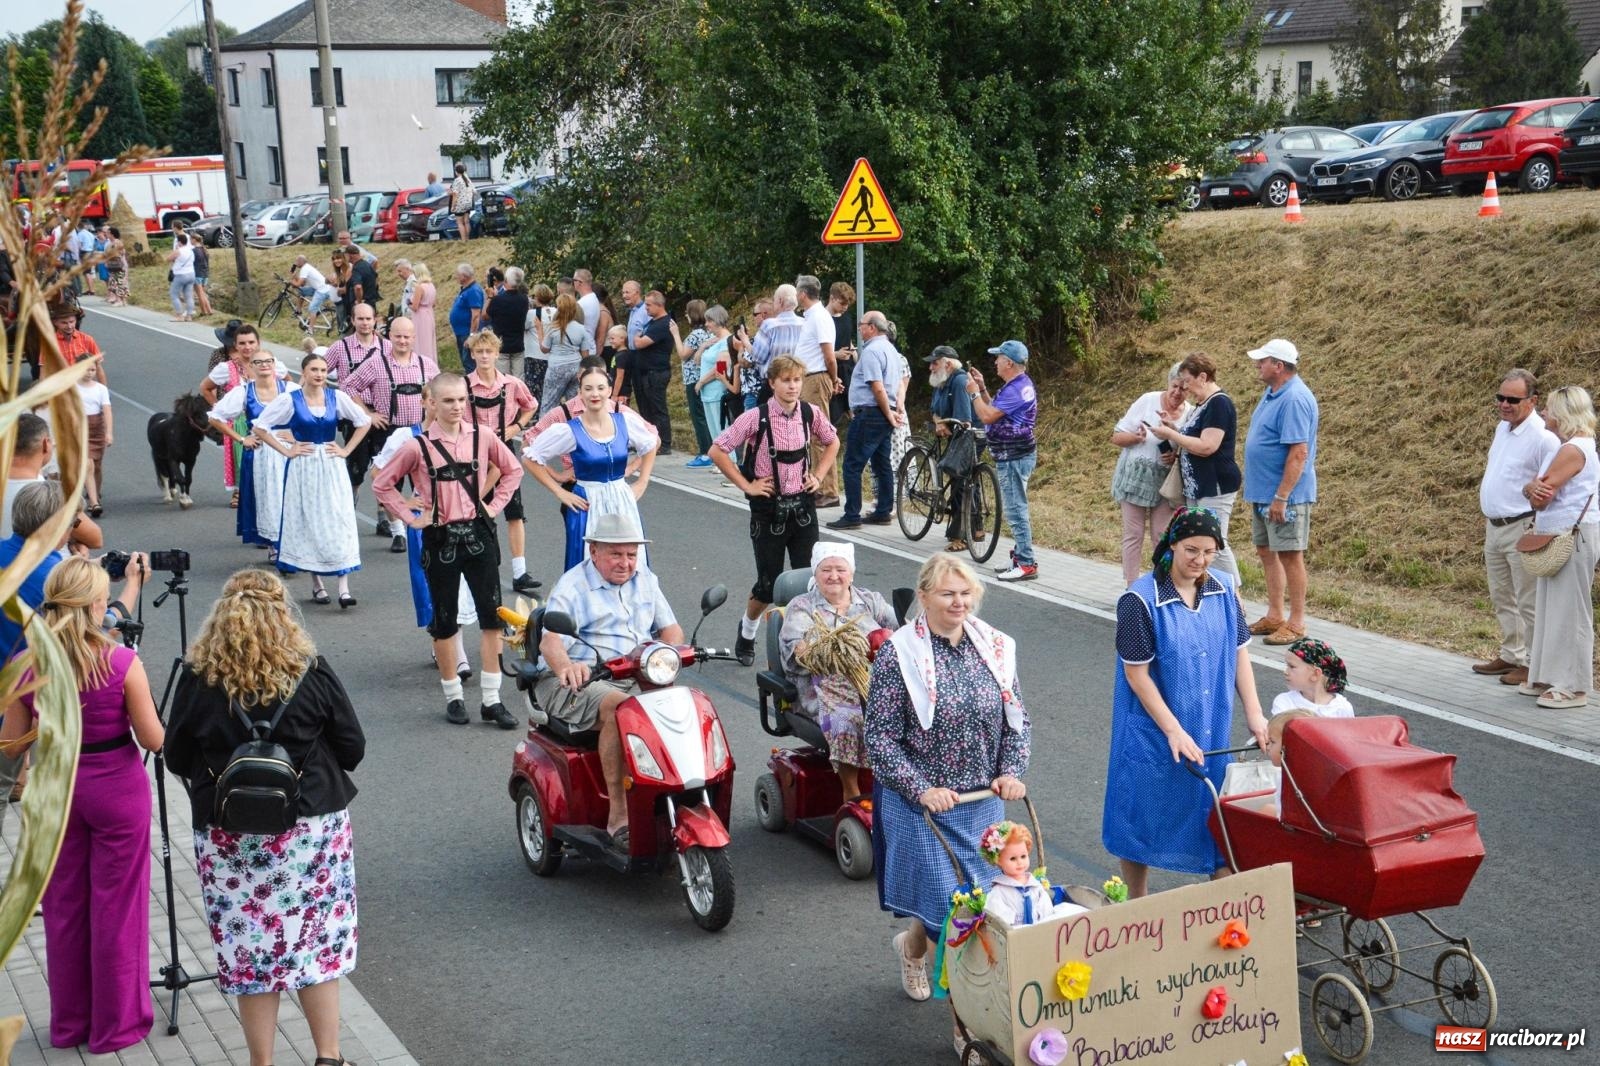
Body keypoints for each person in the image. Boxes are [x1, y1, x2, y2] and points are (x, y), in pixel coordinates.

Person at [164, 570, 364, 1066]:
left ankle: (262, 1062)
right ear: (282, 614)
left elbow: (174, 756)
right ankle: (328, 1056)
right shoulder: (309, 669)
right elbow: (352, 748)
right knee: (317, 944)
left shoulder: (199, 678)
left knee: (251, 951)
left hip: (231, 836)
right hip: (311, 829)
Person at [0, 558, 163, 1054]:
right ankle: (117, 1024)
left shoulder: (26, 663)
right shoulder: (119, 662)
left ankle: (70, 1023)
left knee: (64, 909)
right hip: (115, 789)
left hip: (56, 791)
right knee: (118, 908)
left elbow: (9, 747)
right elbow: (153, 738)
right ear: (97, 606)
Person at [865, 554, 1028, 1004]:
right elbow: (879, 738)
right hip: (923, 803)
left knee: (977, 906)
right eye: (947, 594)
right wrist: (922, 789)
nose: (960, 602)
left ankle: (913, 948)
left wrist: (1010, 772)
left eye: (966, 593)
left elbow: (1018, 721)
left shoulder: (995, 647)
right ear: (924, 597)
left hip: (981, 801)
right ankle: (967, 1021)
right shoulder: (898, 655)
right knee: (951, 914)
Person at [1102, 506, 1269, 899]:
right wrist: (1173, 730)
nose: (1200, 561)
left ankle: (1227, 909)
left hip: (1210, 723)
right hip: (1154, 728)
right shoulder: (1139, 601)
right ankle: (1135, 902)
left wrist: (1256, 713)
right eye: (1192, 550)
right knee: (1139, 818)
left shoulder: (1225, 588)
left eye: (1210, 552)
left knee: (1216, 819)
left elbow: (1240, 652)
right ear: (1172, 543)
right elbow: (1136, 674)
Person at [373, 372, 524, 726]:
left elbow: (512, 470)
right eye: (448, 401)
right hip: (439, 538)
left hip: (479, 535)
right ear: (432, 403)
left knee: (491, 617)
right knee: (444, 621)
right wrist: (410, 518)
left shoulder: (483, 437)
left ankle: (491, 699)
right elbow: (383, 484)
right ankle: (453, 695)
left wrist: (494, 505)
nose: (457, 407)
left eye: (461, 400)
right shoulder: (416, 446)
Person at [535, 512, 684, 846]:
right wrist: (566, 667)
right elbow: (551, 641)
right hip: (580, 679)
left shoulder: (646, 578)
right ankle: (619, 814)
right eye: (616, 554)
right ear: (594, 552)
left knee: (683, 705)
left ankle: (681, 795)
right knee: (622, 711)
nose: (626, 563)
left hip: (636, 673)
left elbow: (671, 629)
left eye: (631, 554)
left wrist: (669, 652)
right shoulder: (574, 585)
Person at [709, 355, 841, 666]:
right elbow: (717, 450)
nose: (793, 386)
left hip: (803, 507)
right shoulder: (755, 417)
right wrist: (748, 485)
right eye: (786, 380)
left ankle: (804, 641)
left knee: (809, 579)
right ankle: (748, 630)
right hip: (768, 508)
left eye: (797, 380)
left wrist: (819, 476)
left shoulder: (810, 413)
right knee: (769, 585)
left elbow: (833, 442)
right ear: (772, 383)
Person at [252, 351, 372, 606]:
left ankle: (344, 587)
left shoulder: (336, 396)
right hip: (304, 465)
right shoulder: (290, 399)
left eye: (323, 371)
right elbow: (260, 426)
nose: (319, 375)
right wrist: (287, 450)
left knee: (339, 517)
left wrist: (346, 450)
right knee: (310, 518)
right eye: (314, 370)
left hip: (331, 463)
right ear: (303, 373)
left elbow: (364, 421)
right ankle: (317, 583)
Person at [779, 541, 897, 800]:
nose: (833, 576)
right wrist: (835, 651)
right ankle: (851, 792)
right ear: (815, 573)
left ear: (851, 573)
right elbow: (796, 650)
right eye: (826, 570)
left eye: (840, 569)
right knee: (847, 717)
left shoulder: (870, 601)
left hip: (872, 682)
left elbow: (901, 632)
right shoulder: (802, 606)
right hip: (820, 686)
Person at [522, 363, 659, 572]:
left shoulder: (625, 421)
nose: (595, 394)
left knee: (628, 561)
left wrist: (642, 481)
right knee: (588, 563)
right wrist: (560, 491)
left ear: (609, 390)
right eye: (588, 389)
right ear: (580, 392)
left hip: (622, 499)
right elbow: (530, 458)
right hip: (588, 501)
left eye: (600, 388)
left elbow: (650, 443)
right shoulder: (569, 430)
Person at [1474, 369, 1559, 687]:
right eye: (1500, 398)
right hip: (1495, 525)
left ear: (1533, 400)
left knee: (1528, 600)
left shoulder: (1543, 437)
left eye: (1512, 399)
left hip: (1522, 524)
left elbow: (1551, 486)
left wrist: (1539, 524)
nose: (1504, 404)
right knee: (1502, 595)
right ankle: (1512, 653)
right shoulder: (1503, 428)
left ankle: (1535, 665)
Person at [1522, 384, 1600, 710]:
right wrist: (1533, 488)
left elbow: (1542, 494)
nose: (1544, 414)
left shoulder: (1573, 449)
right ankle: (1548, 674)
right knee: (1554, 608)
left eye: (1549, 409)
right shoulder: (1576, 446)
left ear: (1564, 414)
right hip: (1563, 535)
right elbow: (1538, 490)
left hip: (1572, 536)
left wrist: (1531, 488)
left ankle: (1573, 686)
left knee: (1570, 611)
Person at [1242, 338, 1320, 645]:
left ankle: (1297, 622)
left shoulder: (1295, 399)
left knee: (1290, 554)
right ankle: (1275, 614)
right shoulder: (1272, 392)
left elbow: (1298, 453)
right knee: (1266, 551)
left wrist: (1282, 496)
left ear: (1279, 365)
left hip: (1283, 497)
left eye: (1263, 361)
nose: (1258, 365)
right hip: (1263, 492)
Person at [341, 316, 439, 552]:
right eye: (398, 336)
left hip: (420, 431)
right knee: (388, 480)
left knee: (425, 482)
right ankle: (398, 532)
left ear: (414, 338)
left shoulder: (427, 365)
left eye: (407, 336)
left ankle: (426, 523)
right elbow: (348, 385)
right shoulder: (376, 363)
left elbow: (442, 391)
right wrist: (367, 414)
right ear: (389, 337)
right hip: (390, 431)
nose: (403, 341)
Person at [1150, 352, 1241, 583]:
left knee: (1215, 542)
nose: (1185, 388)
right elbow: (1193, 437)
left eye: (1188, 381)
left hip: (1215, 485)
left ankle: (1235, 595)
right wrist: (1173, 428)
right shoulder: (1202, 404)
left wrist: (1170, 434)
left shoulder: (1219, 403)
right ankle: (1206, 590)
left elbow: (1207, 446)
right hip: (1196, 487)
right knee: (1197, 540)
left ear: (1202, 377)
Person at [465, 330, 539, 594]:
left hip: (504, 450)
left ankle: (520, 571)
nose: (484, 356)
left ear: (497, 354)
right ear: (472, 354)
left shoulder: (510, 384)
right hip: (474, 454)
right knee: (478, 508)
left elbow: (531, 404)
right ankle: (484, 565)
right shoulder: (465, 386)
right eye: (479, 351)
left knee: (514, 511)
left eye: (489, 351)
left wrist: (516, 427)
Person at [210, 346, 296, 550]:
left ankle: (292, 541)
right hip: (261, 452)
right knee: (268, 497)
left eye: (269, 361)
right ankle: (275, 544)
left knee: (292, 496)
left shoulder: (290, 390)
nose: (265, 365)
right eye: (259, 362)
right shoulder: (244, 392)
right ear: (251, 367)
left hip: (289, 450)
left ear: (275, 365)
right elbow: (215, 417)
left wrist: (296, 434)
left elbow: (307, 413)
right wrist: (241, 439)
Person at [967, 339, 1039, 581]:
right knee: (1015, 506)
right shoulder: (1015, 385)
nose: (995, 361)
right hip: (1014, 454)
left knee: (1015, 509)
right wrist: (983, 388)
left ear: (1009, 362)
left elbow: (987, 416)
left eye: (998, 357)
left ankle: (1027, 563)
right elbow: (996, 411)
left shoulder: (1017, 389)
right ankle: (1019, 557)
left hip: (1013, 456)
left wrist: (974, 394)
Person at [1112, 363, 1189, 585]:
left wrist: (1174, 456)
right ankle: (1132, 587)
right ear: (1168, 384)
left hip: (1166, 484)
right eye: (1174, 386)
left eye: (1183, 389)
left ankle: (1161, 584)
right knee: (1133, 534)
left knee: (1161, 537)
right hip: (1135, 478)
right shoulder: (1148, 400)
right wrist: (1136, 438)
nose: (1177, 393)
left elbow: (1190, 448)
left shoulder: (1190, 413)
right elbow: (1117, 437)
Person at [829, 310, 905, 531]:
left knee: (852, 464)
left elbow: (877, 386)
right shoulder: (891, 350)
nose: (859, 329)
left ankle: (851, 513)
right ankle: (883, 510)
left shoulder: (872, 351)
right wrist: (894, 409)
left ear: (872, 327)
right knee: (882, 463)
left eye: (861, 324)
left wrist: (889, 413)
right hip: (883, 413)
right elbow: (897, 383)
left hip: (871, 413)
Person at [979, 821, 1085, 927]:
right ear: (998, 861)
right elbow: (999, 925)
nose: (1020, 862)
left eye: (1023, 856)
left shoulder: (1035, 885)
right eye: (1012, 858)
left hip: (1039, 933)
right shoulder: (999, 893)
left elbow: (1047, 912)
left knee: (1068, 909)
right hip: (1015, 938)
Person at [795, 274, 843, 501]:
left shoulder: (820, 317)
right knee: (812, 434)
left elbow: (828, 356)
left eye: (797, 292)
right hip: (810, 378)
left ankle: (828, 489)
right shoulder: (812, 316)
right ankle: (819, 484)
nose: (796, 296)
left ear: (803, 294)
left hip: (816, 378)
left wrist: (833, 379)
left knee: (820, 435)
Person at [926, 346, 975, 552]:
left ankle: (961, 536)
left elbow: (965, 421)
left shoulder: (960, 381)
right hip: (953, 434)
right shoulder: (941, 382)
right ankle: (976, 528)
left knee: (960, 480)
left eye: (934, 363)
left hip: (970, 435)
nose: (930, 367)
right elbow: (934, 410)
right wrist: (939, 422)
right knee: (961, 478)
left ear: (947, 364)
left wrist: (946, 424)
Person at [629, 289, 676, 452]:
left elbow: (640, 343)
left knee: (658, 408)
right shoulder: (653, 322)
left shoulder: (662, 324)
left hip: (656, 372)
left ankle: (664, 443)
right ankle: (650, 439)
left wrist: (636, 338)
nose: (646, 308)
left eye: (649, 305)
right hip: (647, 372)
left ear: (659, 305)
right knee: (647, 408)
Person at [537, 291, 594, 418]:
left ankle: (545, 431)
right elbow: (586, 355)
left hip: (556, 368)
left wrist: (540, 332)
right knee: (574, 404)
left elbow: (544, 349)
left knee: (549, 403)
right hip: (575, 367)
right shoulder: (581, 329)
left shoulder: (553, 328)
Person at [1273, 636, 1354, 718]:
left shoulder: (1342, 708)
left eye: (1292, 666)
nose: (1285, 671)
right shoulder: (1285, 702)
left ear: (1315, 674)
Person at [678, 299, 715, 463]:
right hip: (704, 377)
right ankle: (710, 449)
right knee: (705, 415)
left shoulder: (695, 335)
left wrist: (674, 334)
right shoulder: (709, 333)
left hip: (694, 379)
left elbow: (683, 354)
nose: (685, 316)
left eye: (687, 313)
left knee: (698, 415)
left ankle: (705, 452)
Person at [693, 306, 734, 445]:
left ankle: (729, 461)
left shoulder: (726, 341)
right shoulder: (713, 340)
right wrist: (703, 346)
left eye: (709, 321)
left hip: (717, 392)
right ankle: (719, 461)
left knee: (721, 428)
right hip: (708, 394)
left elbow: (720, 367)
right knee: (714, 430)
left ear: (717, 320)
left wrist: (701, 382)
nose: (706, 324)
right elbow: (697, 362)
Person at [49, 294, 106, 384]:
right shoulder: (49, 343)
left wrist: (104, 392)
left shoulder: (87, 339)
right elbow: (44, 371)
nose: (69, 326)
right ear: (55, 322)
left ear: (76, 320)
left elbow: (98, 367)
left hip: (83, 387)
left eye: (72, 322)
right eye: (64, 323)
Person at [78, 369, 112, 517]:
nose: (89, 373)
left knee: (96, 466)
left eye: (92, 370)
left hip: (97, 428)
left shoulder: (101, 389)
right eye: (86, 369)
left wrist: (109, 432)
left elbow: (107, 411)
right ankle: (93, 502)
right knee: (88, 464)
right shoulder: (72, 388)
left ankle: (95, 495)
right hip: (79, 429)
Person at [486, 265, 530, 378]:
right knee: (519, 378)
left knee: (503, 378)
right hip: (518, 345)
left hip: (502, 345)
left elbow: (485, 315)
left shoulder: (498, 300)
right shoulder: (524, 300)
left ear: (506, 280)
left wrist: (491, 297)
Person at [827, 281, 857, 424]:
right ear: (832, 298)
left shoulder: (846, 317)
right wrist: (835, 354)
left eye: (847, 304)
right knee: (832, 416)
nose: (845, 307)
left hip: (848, 369)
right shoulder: (823, 318)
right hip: (830, 371)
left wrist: (856, 357)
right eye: (842, 303)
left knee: (854, 412)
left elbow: (848, 340)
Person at [450, 263, 487, 372]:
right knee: (466, 361)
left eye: (458, 275)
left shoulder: (473, 291)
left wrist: (472, 335)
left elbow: (476, 315)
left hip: (467, 333)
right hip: (461, 332)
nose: (456, 277)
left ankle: (473, 386)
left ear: (464, 276)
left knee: (469, 362)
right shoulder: (466, 289)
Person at [294, 254, 340, 319]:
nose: (295, 263)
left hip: (322, 290)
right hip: (319, 288)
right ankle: (298, 311)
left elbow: (298, 284)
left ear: (301, 261)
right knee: (301, 291)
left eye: (296, 261)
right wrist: (295, 276)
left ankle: (310, 327)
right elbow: (302, 284)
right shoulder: (306, 267)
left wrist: (291, 282)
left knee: (312, 308)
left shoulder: (304, 269)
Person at [408, 262, 438, 362]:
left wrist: (408, 303)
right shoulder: (431, 285)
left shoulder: (419, 287)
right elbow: (434, 303)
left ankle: (421, 362)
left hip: (420, 316)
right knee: (429, 340)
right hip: (429, 313)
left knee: (420, 341)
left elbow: (415, 307)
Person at [167, 231, 196, 321]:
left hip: (181, 275)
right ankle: (189, 316)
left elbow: (168, 259)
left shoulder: (178, 251)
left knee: (174, 294)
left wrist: (176, 249)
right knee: (188, 296)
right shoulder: (191, 251)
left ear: (179, 242)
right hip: (191, 274)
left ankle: (179, 315)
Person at [574, 268, 601, 352]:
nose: (573, 283)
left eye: (574, 280)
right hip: (590, 345)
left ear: (579, 282)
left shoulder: (582, 303)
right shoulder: (593, 298)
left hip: (584, 348)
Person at [103, 225, 128, 306]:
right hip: (114, 264)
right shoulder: (111, 243)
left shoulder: (117, 242)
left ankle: (120, 300)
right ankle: (122, 300)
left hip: (118, 264)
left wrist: (109, 258)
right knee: (117, 282)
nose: (106, 234)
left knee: (118, 282)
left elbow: (121, 252)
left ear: (112, 234)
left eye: (108, 233)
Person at [448, 162, 474, 242]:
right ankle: (467, 239)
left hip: (460, 204)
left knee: (459, 223)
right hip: (468, 203)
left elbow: (455, 195)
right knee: (466, 222)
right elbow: (474, 191)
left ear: (456, 172)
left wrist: (453, 206)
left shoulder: (457, 180)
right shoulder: (467, 179)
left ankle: (463, 241)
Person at [191, 237, 214, 317]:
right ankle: (209, 310)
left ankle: (204, 311)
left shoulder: (193, 251)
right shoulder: (204, 250)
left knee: (200, 294)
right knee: (203, 293)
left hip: (197, 274)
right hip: (205, 274)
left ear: (194, 240)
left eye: (191, 239)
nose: (190, 241)